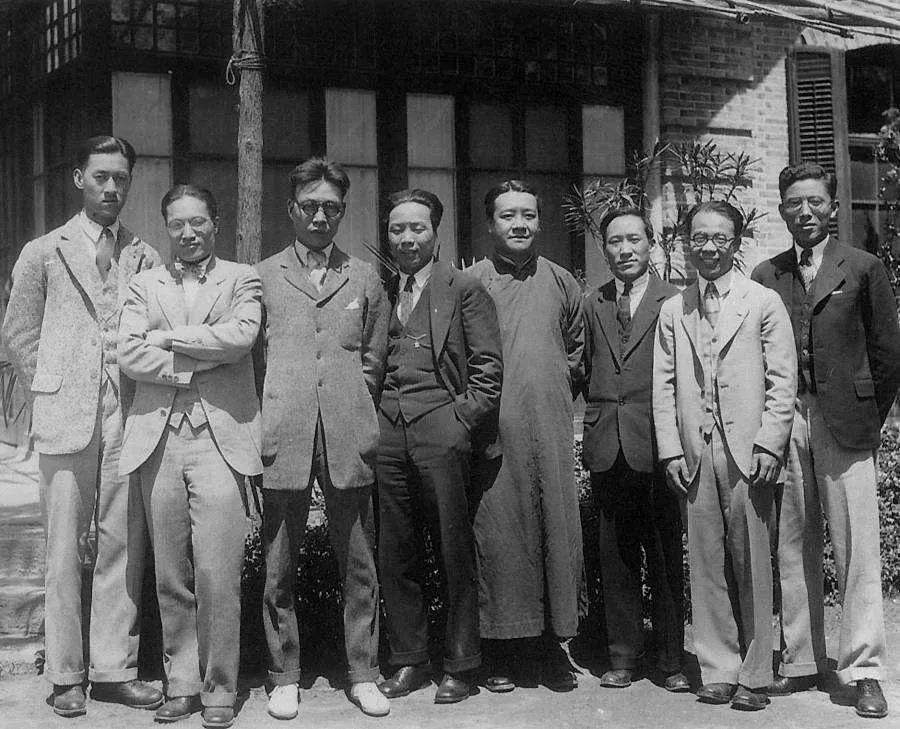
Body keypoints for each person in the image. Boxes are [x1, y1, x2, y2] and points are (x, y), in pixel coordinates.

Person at [2, 135, 163, 717]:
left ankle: (114, 670)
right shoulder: (43, 251)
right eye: (101, 176)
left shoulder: (144, 255)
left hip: (127, 415)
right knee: (64, 549)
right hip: (64, 416)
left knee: (123, 543)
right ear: (78, 179)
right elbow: (19, 333)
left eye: (121, 177)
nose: (112, 188)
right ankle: (66, 674)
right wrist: (52, 385)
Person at [751, 162, 900, 719]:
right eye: (795, 203)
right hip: (786, 420)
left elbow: (888, 354)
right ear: (782, 210)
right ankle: (803, 659)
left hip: (847, 424)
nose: (806, 212)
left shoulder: (862, 267)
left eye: (815, 202)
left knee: (856, 547)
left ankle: (863, 669)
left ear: (833, 207)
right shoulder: (767, 274)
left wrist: (867, 417)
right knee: (793, 541)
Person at [117, 185, 260, 729]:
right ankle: (181, 683)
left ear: (215, 223)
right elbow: (129, 353)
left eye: (198, 222)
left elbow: (241, 337)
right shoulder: (143, 283)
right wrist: (195, 360)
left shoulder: (242, 278)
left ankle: (220, 688)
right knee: (171, 572)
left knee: (218, 571)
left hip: (221, 439)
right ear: (166, 228)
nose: (188, 233)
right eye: (177, 224)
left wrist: (169, 338)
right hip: (159, 438)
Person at [255, 157, 390, 719]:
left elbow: (374, 359)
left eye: (330, 208)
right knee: (278, 565)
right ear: (291, 209)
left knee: (358, 564)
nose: (319, 217)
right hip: (283, 434)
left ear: (342, 212)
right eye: (309, 206)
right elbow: (254, 360)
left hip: (347, 434)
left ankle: (363, 672)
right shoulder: (262, 276)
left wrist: (350, 407)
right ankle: (284, 674)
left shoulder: (364, 277)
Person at [653, 200, 796, 711]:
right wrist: (671, 448)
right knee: (706, 561)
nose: (709, 248)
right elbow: (664, 386)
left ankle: (756, 673)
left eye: (720, 238)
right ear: (686, 243)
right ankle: (718, 667)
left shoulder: (762, 301)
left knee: (752, 560)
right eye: (699, 238)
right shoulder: (675, 309)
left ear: (735, 243)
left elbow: (782, 380)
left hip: (748, 450)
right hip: (697, 449)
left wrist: (770, 443)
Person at [376, 188, 502, 704]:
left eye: (417, 228)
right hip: (388, 433)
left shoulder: (464, 288)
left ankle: (460, 664)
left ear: (435, 232)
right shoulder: (383, 289)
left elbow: (488, 371)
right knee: (395, 551)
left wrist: (457, 423)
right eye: (397, 229)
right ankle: (409, 658)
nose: (407, 239)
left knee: (453, 551)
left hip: (442, 432)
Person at [466, 180, 583, 692]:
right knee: (499, 536)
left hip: (549, 430)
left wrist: (546, 395)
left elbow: (577, 354)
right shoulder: (470, 283)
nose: (520, 224)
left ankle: (553, 646)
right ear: (490, 224)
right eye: (508, 215)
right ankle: (499, 648)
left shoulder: (561, 281)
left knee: (555, 530)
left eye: (528, 215)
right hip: (493, 435)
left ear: (540, 221)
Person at [582, 207, 687, 692]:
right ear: (604, 250)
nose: (625, 250)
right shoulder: (594, 303)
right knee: (616, 556)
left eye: (634, 240)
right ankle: (622, 656)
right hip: (608, 444)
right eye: (615, 242)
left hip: (659, 445)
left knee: (664, 555)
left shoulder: (676, 301)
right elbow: (583, 366)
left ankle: (670, 660)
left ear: (651, 244)